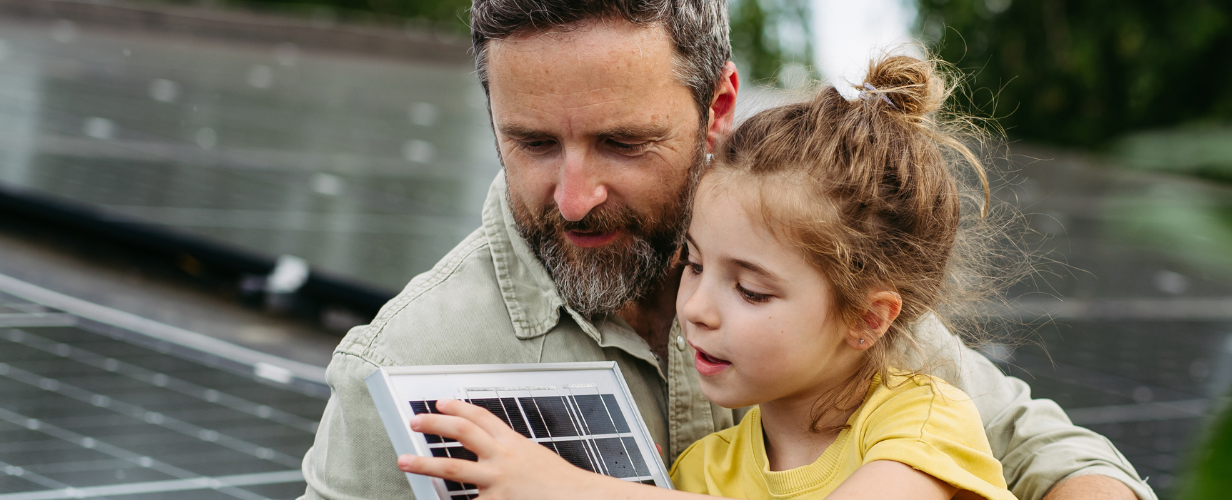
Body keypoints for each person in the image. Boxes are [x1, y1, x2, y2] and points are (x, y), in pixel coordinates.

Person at [296, 1, 1154, 499]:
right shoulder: (410, 359)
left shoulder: (842, 304)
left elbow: (1049, 453)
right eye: (532, 144)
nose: (574, 196)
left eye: (624, 144)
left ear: (717, 110)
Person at [400, 54, 1026, 500]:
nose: (696, 306)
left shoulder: (923, 423)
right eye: (694, 264)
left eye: (751, 289)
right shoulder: (702, 471)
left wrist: (571, 489)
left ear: (867, 318)